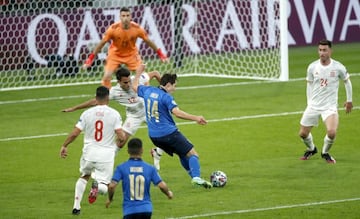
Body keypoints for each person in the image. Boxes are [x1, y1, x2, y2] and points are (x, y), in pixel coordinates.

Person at [62, 66, 165, 170]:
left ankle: (157, 153)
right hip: (134, 116)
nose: (129, 84)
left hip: (149, 112)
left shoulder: (138, 79)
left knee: (166, 132)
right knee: (121, 141)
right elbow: (95, 101)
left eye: (129, 81)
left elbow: (155, 73)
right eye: (125, 82)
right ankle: (104, 165)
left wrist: (163, 92)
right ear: (119, 81)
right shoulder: (114, 92)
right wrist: (74, 108)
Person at [132, 64, 212, 189]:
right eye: (174, 86)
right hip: (168, 133)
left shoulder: (148, 91)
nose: (175, 89)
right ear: (168, 84)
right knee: (192, 154)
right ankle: (196, 177)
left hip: (154, 136)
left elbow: (134, 86)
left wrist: (138, 73)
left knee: (182, 153)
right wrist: (196, 118)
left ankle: (195, 178)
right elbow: (177, 113)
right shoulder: (166, 97)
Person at [59, 86, 126, 215]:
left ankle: (76, 207)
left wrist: (64, 145)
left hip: (89, 153)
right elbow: (121, 136)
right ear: (108, 97)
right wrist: (121, 138)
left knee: (84, 176)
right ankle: (97, 186)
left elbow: (75, 133)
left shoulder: (86, 113)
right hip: (106, 155)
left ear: (95, 98)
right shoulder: (114, 114)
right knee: (104, 187)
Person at [83, 7, 169, 88]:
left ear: (131, 16)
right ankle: (107, 97)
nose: (126, 18)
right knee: (106, 76)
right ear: (120, 17)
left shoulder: (137, 28)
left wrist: (160, 54)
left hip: (131, 54)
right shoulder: (113, 29)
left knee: (143, 77)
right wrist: (90, 59)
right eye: (123, 16)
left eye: (128, 15)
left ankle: (145, 95)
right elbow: (101, 43)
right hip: (115, 54)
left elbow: (149, 41)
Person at [299, 39, 353, 164]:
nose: (322, 53)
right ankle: (312, 149)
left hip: (329, 106)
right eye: (320, 50)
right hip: (314, 105)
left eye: (324, 50)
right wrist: (309, 103)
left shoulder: (338, 67)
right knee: (302, 133)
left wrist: (349, 100)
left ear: (330, 51)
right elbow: (309, 84)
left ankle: (325, 152)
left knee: (332, 132)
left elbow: (347, 81)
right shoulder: (312, 67)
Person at [106, 138, 173, 218]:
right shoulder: (150, 168)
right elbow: (161, 185)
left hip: (130, 210)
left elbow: (112, 186)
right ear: (142, 150)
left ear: (128, 151)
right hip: (146, 209)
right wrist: (168, 193)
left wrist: (110, 199)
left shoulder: (121, 168)